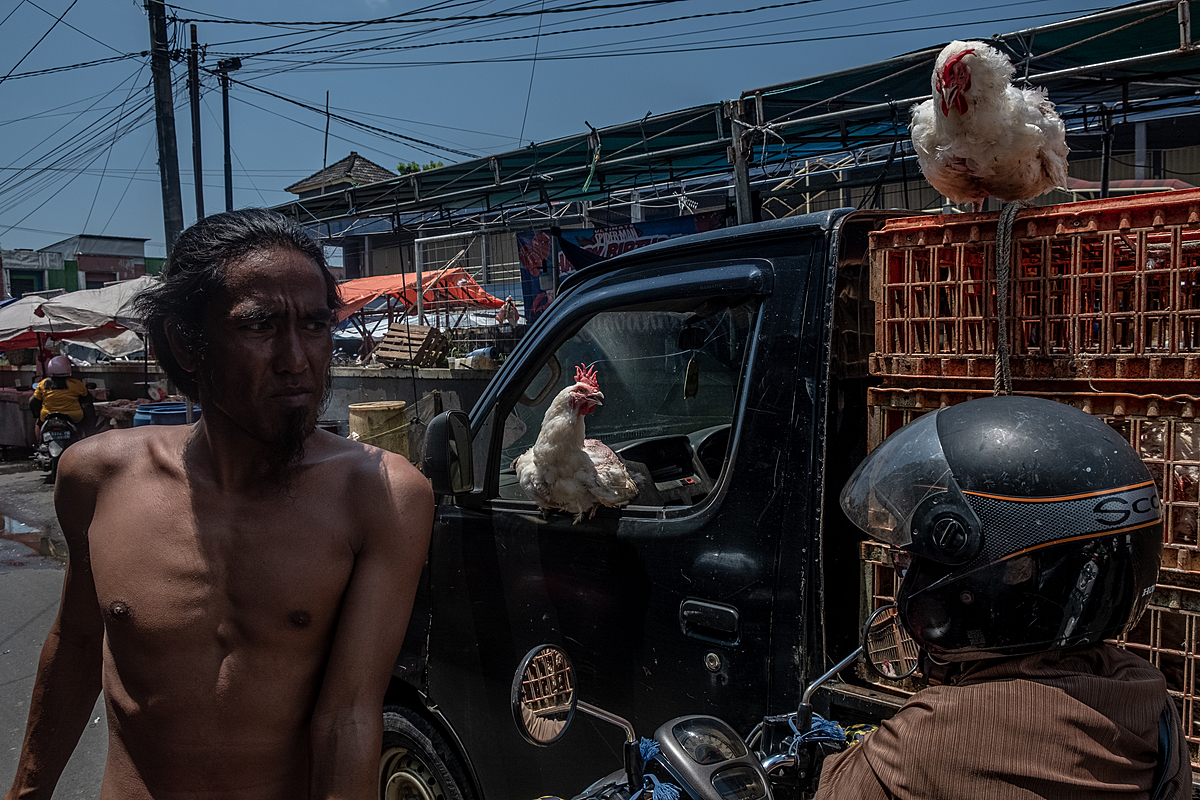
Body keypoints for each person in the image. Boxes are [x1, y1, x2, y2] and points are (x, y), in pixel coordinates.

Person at [4, 209, 435, 800]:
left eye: (314, 325)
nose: (296, 358)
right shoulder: (98, 477)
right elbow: (77, 642)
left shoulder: (381, 496)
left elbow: (348, 718)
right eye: (260, 326)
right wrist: (26, 792)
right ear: (185, 343)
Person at [822, 395, 1192, 800]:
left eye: (914, 558)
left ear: (1015, 569)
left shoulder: (924, 744)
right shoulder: (1148, 701)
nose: (907, 570)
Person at [29, 355, 92, 426]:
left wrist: (37, 415)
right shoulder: (77, 384)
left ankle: (38, 437)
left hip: (47, 416)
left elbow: (33, 402)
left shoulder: (43, 384)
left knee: (38, 423)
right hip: (74, 417)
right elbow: (87, 399)